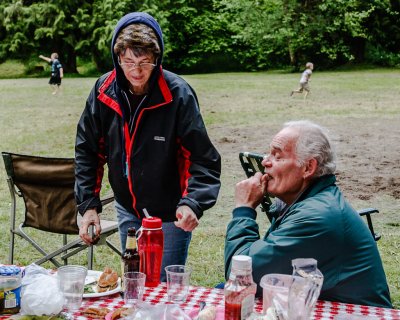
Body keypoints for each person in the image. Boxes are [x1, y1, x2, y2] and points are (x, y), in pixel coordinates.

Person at [74, 12, 221, 281]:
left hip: (169, 213)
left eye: (145, 62)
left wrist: (193, 203)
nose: (137, 71)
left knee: (161, 286)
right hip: (126, 207)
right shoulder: (103, 90)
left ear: (157, 58)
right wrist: (88, 206)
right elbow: (87, 151)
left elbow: (202, 158)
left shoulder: (177, 94)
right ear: (117, 58)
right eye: (128, 61)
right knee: (133, 281)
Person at [224, 120, 392, 308]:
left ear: (308, 168)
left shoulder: (317, 217)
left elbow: (240, 276)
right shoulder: (304, 201)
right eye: (269, 153)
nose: (265, 162)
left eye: (277, 156)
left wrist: (244, 210)